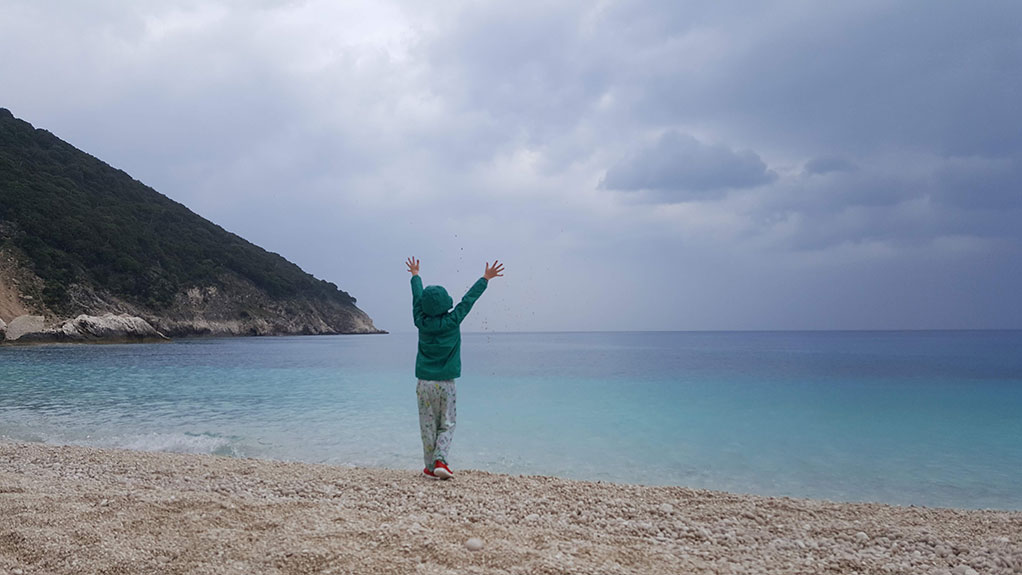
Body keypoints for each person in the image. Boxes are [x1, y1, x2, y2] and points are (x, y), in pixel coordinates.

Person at [406, 256, 504, 479]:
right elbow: (467, 301)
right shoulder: (453, 321)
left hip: (423, 384)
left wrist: (415, 276)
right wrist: (485, 278)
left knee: (427, 426)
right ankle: (441, 460)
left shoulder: (419, 321)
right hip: (446, 384)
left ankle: (430, 467)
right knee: (447, 423)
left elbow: (416, 299)